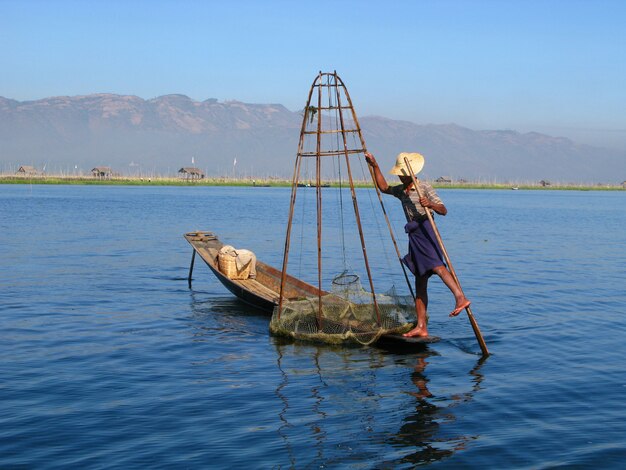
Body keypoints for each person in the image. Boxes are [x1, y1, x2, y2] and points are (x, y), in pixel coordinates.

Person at [364, 151, 470, 338]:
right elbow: (383, 187)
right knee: (420, 280)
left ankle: (460, 297)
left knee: (437, 266)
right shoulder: (402, 190)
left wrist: (429, 204)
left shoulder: (424, 187)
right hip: (414, 235)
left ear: (409, 173)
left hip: (426, 230)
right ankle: (421, 326)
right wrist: (375, 165)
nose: (398, 175)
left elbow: (443, 210)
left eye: (401, 173)